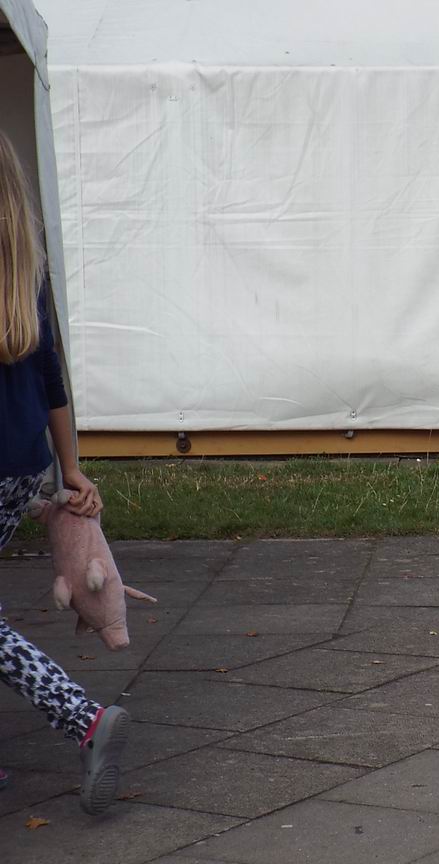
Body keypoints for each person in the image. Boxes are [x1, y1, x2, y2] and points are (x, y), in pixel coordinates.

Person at [0, 130, 129, 814]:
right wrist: (69, 467)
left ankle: (84, 718)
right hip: (20, 462)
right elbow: (51, 374)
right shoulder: (25, 259)